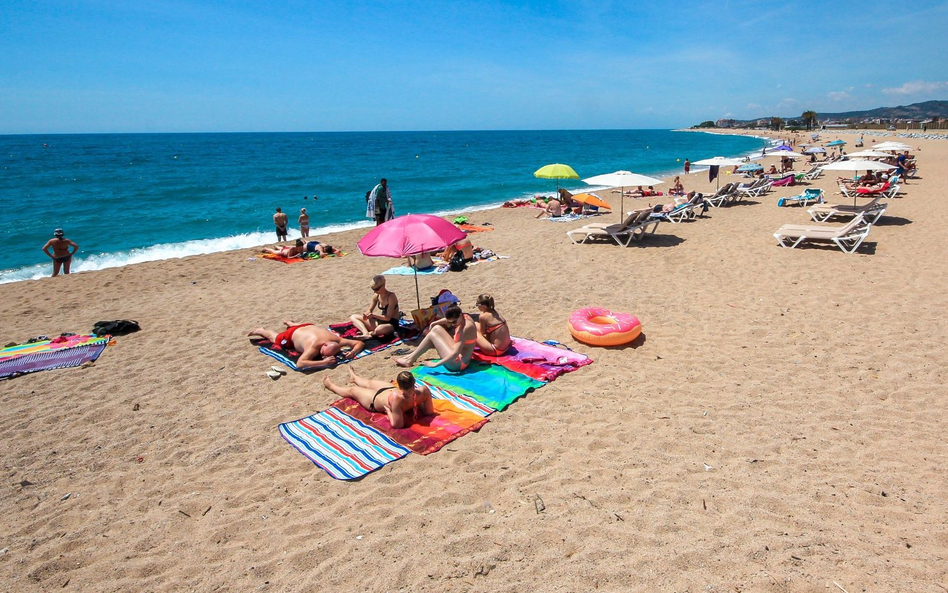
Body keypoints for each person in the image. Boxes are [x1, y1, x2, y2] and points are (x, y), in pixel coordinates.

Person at [323, 367, 434, 429]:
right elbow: (429, 412)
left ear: (399, 386)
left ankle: (331, 386)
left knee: (352, 391)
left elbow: (397, 425)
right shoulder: (424, 391)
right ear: (414, 382)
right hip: (390, 391)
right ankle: (355, 378)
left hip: (375, 400)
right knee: (370, 383)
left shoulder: (398, 400)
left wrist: (388, 411)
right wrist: (417, 403)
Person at [247, 322, 364, 370]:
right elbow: (300, 363)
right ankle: (261, 330)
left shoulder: (337, 340)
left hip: (307, 325)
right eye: (322, 354)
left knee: (300, 327)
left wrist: (353, 352)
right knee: (274, 338)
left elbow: (359, 343)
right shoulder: (313, 347)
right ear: (325, 344)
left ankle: (291, 323)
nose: (321, 356)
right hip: (291, 334)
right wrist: (324, 362)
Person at [395, 304, 476, 372]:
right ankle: (411, 356)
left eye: (454, 322)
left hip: (458, 363)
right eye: (450, 322)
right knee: (436, 328)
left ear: (460, 315)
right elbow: (448, 320)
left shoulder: (465, 329)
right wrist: (434, 323)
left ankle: (409, 359)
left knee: (432, 335)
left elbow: (455, 354)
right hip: (456, 352)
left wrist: (435, 364)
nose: (452, 324)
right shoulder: (464, 317)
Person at [350, 275, 399, 340]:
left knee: (380, 329)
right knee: (353, 317)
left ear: (383, 285)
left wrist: (373, 315)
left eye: (377, 289)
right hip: (379, 321)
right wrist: (366, 314)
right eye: (373, 289)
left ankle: (370, 334)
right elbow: (370, 310)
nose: (375, 291)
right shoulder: (376, 295)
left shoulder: (391, 297)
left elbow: (387, 318)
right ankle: (366, 333)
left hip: (391, 324)